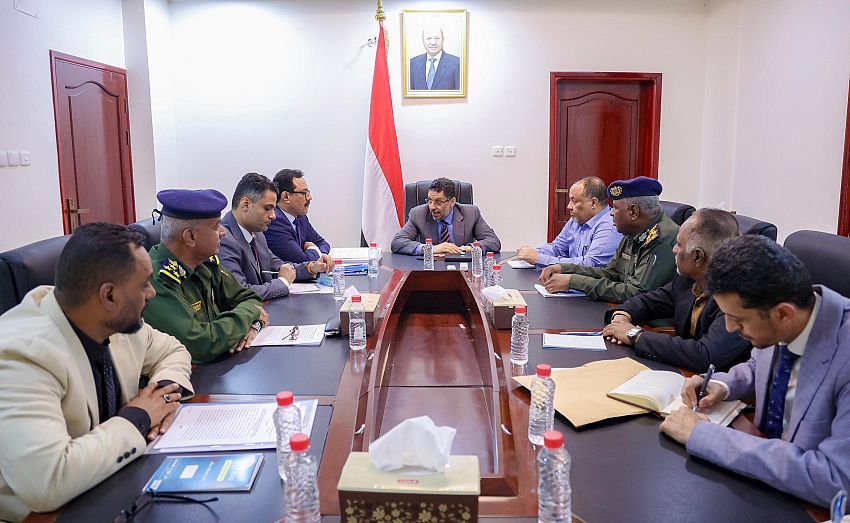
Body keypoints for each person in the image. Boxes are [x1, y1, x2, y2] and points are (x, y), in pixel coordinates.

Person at [0, 223, 193, 522]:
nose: (152, 293)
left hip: (109, 482)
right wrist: (140, 416)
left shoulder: (110, 320)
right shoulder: (20, 355)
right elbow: (49, 482)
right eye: (144, 284)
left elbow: (173, 350)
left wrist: (161, 397)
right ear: (109, 296)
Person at [659, 235, 850, 507]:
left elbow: (835, 479)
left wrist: (704, 436)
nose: (729, 328)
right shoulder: (788, 314)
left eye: (737, 319)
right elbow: (758, 365)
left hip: (805, 504)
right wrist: (722, 385)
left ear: (784, 313)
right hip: (755, 480)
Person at [601, 208, 750, 371]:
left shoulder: (738, 295)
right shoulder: (688, 279)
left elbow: (706, 355)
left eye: (679, 245)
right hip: (683, 372)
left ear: (697, 256)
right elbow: (649, 301)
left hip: (716, 382)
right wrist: (622, 317)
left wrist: (636, 335)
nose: (674, 250)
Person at [143, 189, 267, 363]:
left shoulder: (204, 264)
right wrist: (250, 313)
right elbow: (201, 344)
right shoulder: (155, 279)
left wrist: (253, 325)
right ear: (190, 237)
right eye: (216, 226)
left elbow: (249, 297)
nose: (223, 232)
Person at [539, 176, 678, 303]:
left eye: (616, 208)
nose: (611, 213)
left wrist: (573, 282)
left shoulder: (661, 239)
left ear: (634, 212)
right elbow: (610, 273)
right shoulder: (634, 232)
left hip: (649, 319)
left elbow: (634, 293)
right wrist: (564, 268)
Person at [220, 173, 331, 301]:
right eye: (267, 208)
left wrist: (311, 268)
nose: (273, 216)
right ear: (246, 205)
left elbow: (279, 266)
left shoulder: (257, 233)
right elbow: (241, 293)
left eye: (273, 209)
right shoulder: (223, 239)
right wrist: (283, 282)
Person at [515, 176, 621, 268]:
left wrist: (538, 258)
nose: (569, 206)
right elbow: (558, 248)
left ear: (593, 203)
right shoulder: (576, 220)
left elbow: (591, 264)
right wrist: (531, 253)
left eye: (574, 201)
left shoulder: (610, 226)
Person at [391, 177, 501, 255]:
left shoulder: (471, 213)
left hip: (462, 269)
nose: (432, 207)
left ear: (452, 202)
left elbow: (493, 241)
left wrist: (467, 248)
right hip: (430, 270)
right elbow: (397, 242)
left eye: (438, 202)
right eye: (429, 200)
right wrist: (431, 249)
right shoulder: (418, 214)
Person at [264, 168, 333, 264]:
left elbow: (322, 243)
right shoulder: (275, 221)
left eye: (308, 193)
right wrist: (312, 247)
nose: (309, 198)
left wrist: (322, 255)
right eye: (304, 193)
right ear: (286, 196)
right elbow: (301, 260)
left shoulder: (300, 217)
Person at [409, 24, 460, 91]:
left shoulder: (457, 64)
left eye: (437, 38)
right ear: (423, 41)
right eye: (429, 38)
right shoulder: (412, 64)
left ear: (443, 40)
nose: (433, 43)